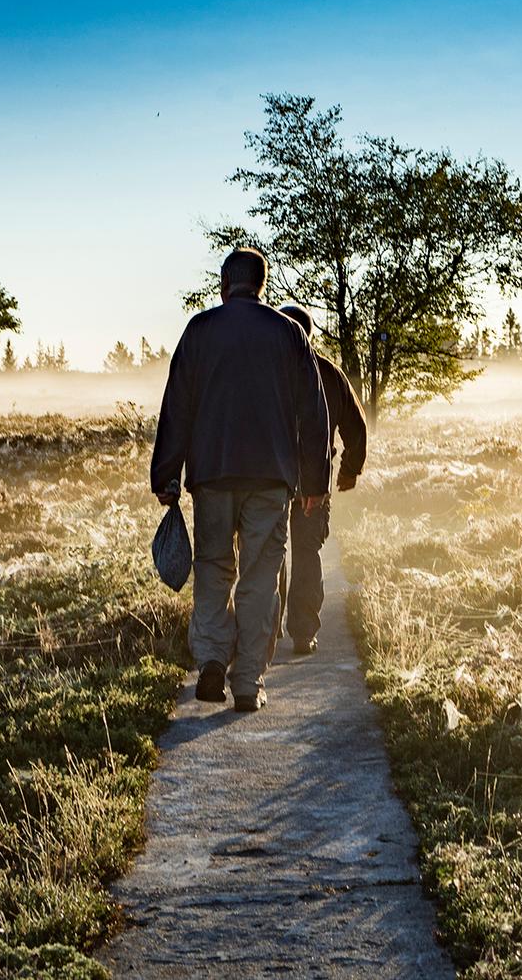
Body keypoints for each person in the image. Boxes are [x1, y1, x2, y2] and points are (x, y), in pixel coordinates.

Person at [150, 248, 329, 712]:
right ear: (263, 288)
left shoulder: (199, 331)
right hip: (271, 477)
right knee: (260, 577)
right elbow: (313, 413)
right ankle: (248, 681)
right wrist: (315, 482)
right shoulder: (289, 335)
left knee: (213, 568)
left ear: (223, 286)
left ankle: (211, 658)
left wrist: (166, 474)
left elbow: (177, 408)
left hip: (212, 475)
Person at [276, 304, 367, 655]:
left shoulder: (269, 373)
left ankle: (268, 627)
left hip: (274, 476)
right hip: (315, 478)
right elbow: (355, 426)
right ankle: (304, 631)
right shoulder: (329, 372)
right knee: (307, 550)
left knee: (272, 552)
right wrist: (348, 470)